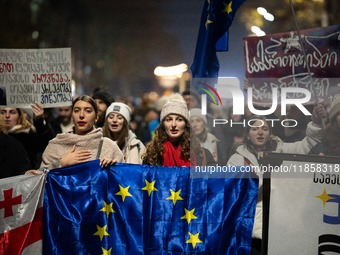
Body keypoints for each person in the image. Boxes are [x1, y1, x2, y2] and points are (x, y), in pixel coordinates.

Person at [227, 105, 326, 254]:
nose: (260, 132)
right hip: (251, 228)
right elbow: (236, 192)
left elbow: (307, 145)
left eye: (265, 129)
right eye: (255, 129)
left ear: (270, 133)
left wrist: (316, 123)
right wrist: (269, 177)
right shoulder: (238, 159)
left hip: (280, 226)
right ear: (247, 134)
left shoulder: (280, 150)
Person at [35, 95, 124, 171]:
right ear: (72, 117)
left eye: (88, 111)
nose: (81, 115)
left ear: (96, 117)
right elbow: (39, 178)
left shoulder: (109, 147)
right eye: (77, 110)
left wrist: (113, 169)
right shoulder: (56, 145)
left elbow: (123, 181)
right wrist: (61, 163)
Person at [142, 93, 215, 167]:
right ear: (163, 124)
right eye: (169, 119)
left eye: (179, 119)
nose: (173, 124)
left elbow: (213, 178)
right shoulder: (152, 154)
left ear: (186, 124)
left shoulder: (202, 154)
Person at [0, 103, 55, 169]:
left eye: (12, 112)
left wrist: (39, 121)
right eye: (2, 112)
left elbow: (48, 143)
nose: (7, 116)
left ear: (19, 116)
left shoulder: (28, 136)